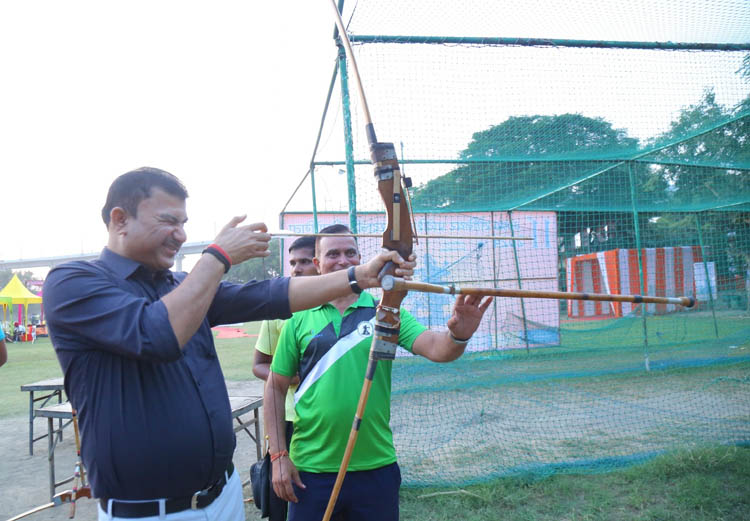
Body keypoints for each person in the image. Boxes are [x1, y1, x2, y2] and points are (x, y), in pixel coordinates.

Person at [43, 167, 415, 521]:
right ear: (120, 219)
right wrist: (218, 256)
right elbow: (156, 334)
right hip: (149, 511)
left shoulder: (181, 285)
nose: (180, 235)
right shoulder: (72, 282)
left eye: (184, 223)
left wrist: (361, 276)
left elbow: (268, 294)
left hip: (222, 496)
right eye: (169, 221)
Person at [264, 224, 492, 521]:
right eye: (333, 254)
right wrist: (279, 456)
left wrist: (459, 335)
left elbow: (439, 349)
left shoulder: (386, 312)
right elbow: (275, 386)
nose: (343, 260)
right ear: (318, 263)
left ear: (360, 259)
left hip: (375, 468)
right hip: (311, 470)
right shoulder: (298, 319)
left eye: (350, 253)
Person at [252, 235, 318, 520]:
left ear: (320, 262)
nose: (296, 268)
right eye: (292, 262)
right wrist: (289, 376)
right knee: (285, 497)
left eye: (304, 261)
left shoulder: (340, 307)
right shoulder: (280, 311)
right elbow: (259, 366)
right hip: (288, 419)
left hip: (325, 422)